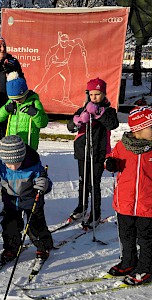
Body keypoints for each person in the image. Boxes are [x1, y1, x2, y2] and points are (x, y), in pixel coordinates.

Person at [0, 135, 53, 264]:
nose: (13, 167)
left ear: (23, 157)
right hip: (11, 201)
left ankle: (43, 247)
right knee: (10, 226)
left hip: (31, 200)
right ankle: (11, 249)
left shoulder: (33, 164)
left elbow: (45, 181)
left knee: (36, 226)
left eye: (17, 163)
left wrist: (44, 184)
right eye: (9, 164)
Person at [104, 106, 152, 286]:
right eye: (151, 127)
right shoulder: (122, 146)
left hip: (147, 205)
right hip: (125, 203)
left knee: (146, 239)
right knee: (126, 236)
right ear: (138, 129)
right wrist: (110, 163)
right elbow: (111, 159)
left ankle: (146, 267)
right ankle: (128, 262)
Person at [67, 78, 119, 227]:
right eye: (91, 94)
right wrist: (76, 122)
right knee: (83, 181)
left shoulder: (109, 111)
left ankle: (95, 213)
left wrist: (98, 113)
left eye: (97, 94)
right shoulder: (83, 109)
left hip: (97, 152)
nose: (94, 97)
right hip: (83, 150)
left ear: (103, 94)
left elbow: (113, 124)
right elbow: (70, 127)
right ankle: (81, 206)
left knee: (94, 183)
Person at [0, 72, 48, 150]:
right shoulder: (11, 103)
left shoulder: (34, 103)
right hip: (13, 143)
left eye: (19, 98)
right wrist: (5, 110)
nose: (16, 101)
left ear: (25, 93)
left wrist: (35, 114)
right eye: (14, 99)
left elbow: (43, 123)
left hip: (28, 145)